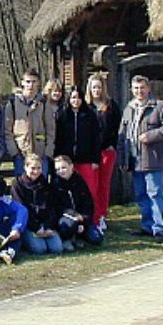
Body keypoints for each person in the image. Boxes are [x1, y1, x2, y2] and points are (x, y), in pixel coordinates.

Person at [118, 75, 163, 243]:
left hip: (152, 159)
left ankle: (159, 229)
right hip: (134, 159)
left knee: (155, 194)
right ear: (131, 90)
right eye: (136, 88)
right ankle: (147, 226)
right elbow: (121, 135)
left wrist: (150, 135)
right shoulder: (128, 108)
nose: (139, 91)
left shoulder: (159, 106)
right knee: (141, 195)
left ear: (148, 89)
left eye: (142, 88)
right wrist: (122, 158)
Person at [54, 85, 101, 221]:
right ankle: (69, 219)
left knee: (90, 190)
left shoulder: (90, 115)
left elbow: (96, 138)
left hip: (86, 159)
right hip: (67, 159)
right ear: (69, 99)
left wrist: (95, 160)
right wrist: (57, 158)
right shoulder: (62, 114)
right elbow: (58, 138)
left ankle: (93, 220)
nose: (76, 100)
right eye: (73, 97)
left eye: (79, 97)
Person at [86, 73, 121, 231]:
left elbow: (119, 127)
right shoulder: (85, 106)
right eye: (94, 87)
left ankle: (101, 216)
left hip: (107, 152)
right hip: (89, 153)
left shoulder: (111, 106)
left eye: (99, 87)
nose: (96, 90)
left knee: (104, 185)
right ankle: (91, 215)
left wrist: (113, 145)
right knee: (91, 185)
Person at [5, 69, 56, 178]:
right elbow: (7, 129)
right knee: (22, 187)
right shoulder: (13, 103)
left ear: (38, 83)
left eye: (34, 81)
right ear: (22, 82)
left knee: (42, 187)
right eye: (28, 81)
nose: (31, 85)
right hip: (21, 153)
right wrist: (13, 151)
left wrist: (48, 151)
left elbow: (50, 129)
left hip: (40, 153)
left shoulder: (43, 103)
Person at [11, 154, 62, 256]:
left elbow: (51, 207)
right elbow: (22, 209)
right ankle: (25, 241)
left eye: (39, 168)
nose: (36, 171)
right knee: (40, 249)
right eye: (32, 168)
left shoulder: (45, 184)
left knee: (57, 248)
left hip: (45, 224)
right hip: (28, 224)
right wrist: (36, 228)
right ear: (25, 167)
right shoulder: (17, 184)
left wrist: (47, 226)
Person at [52, 155, 103, 251]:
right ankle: (66, 238)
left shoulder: (79, 181)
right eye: (58, 169)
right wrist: (73, 215)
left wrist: (83, 218)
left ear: (71, 166)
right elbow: (56, 207)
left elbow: (88, 203)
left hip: (82, 218)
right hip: (66, 219)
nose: (61, 171)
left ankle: (80, 237)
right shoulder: (54, 185)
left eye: (63, 167)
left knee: (97, 239)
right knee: (68, 225)